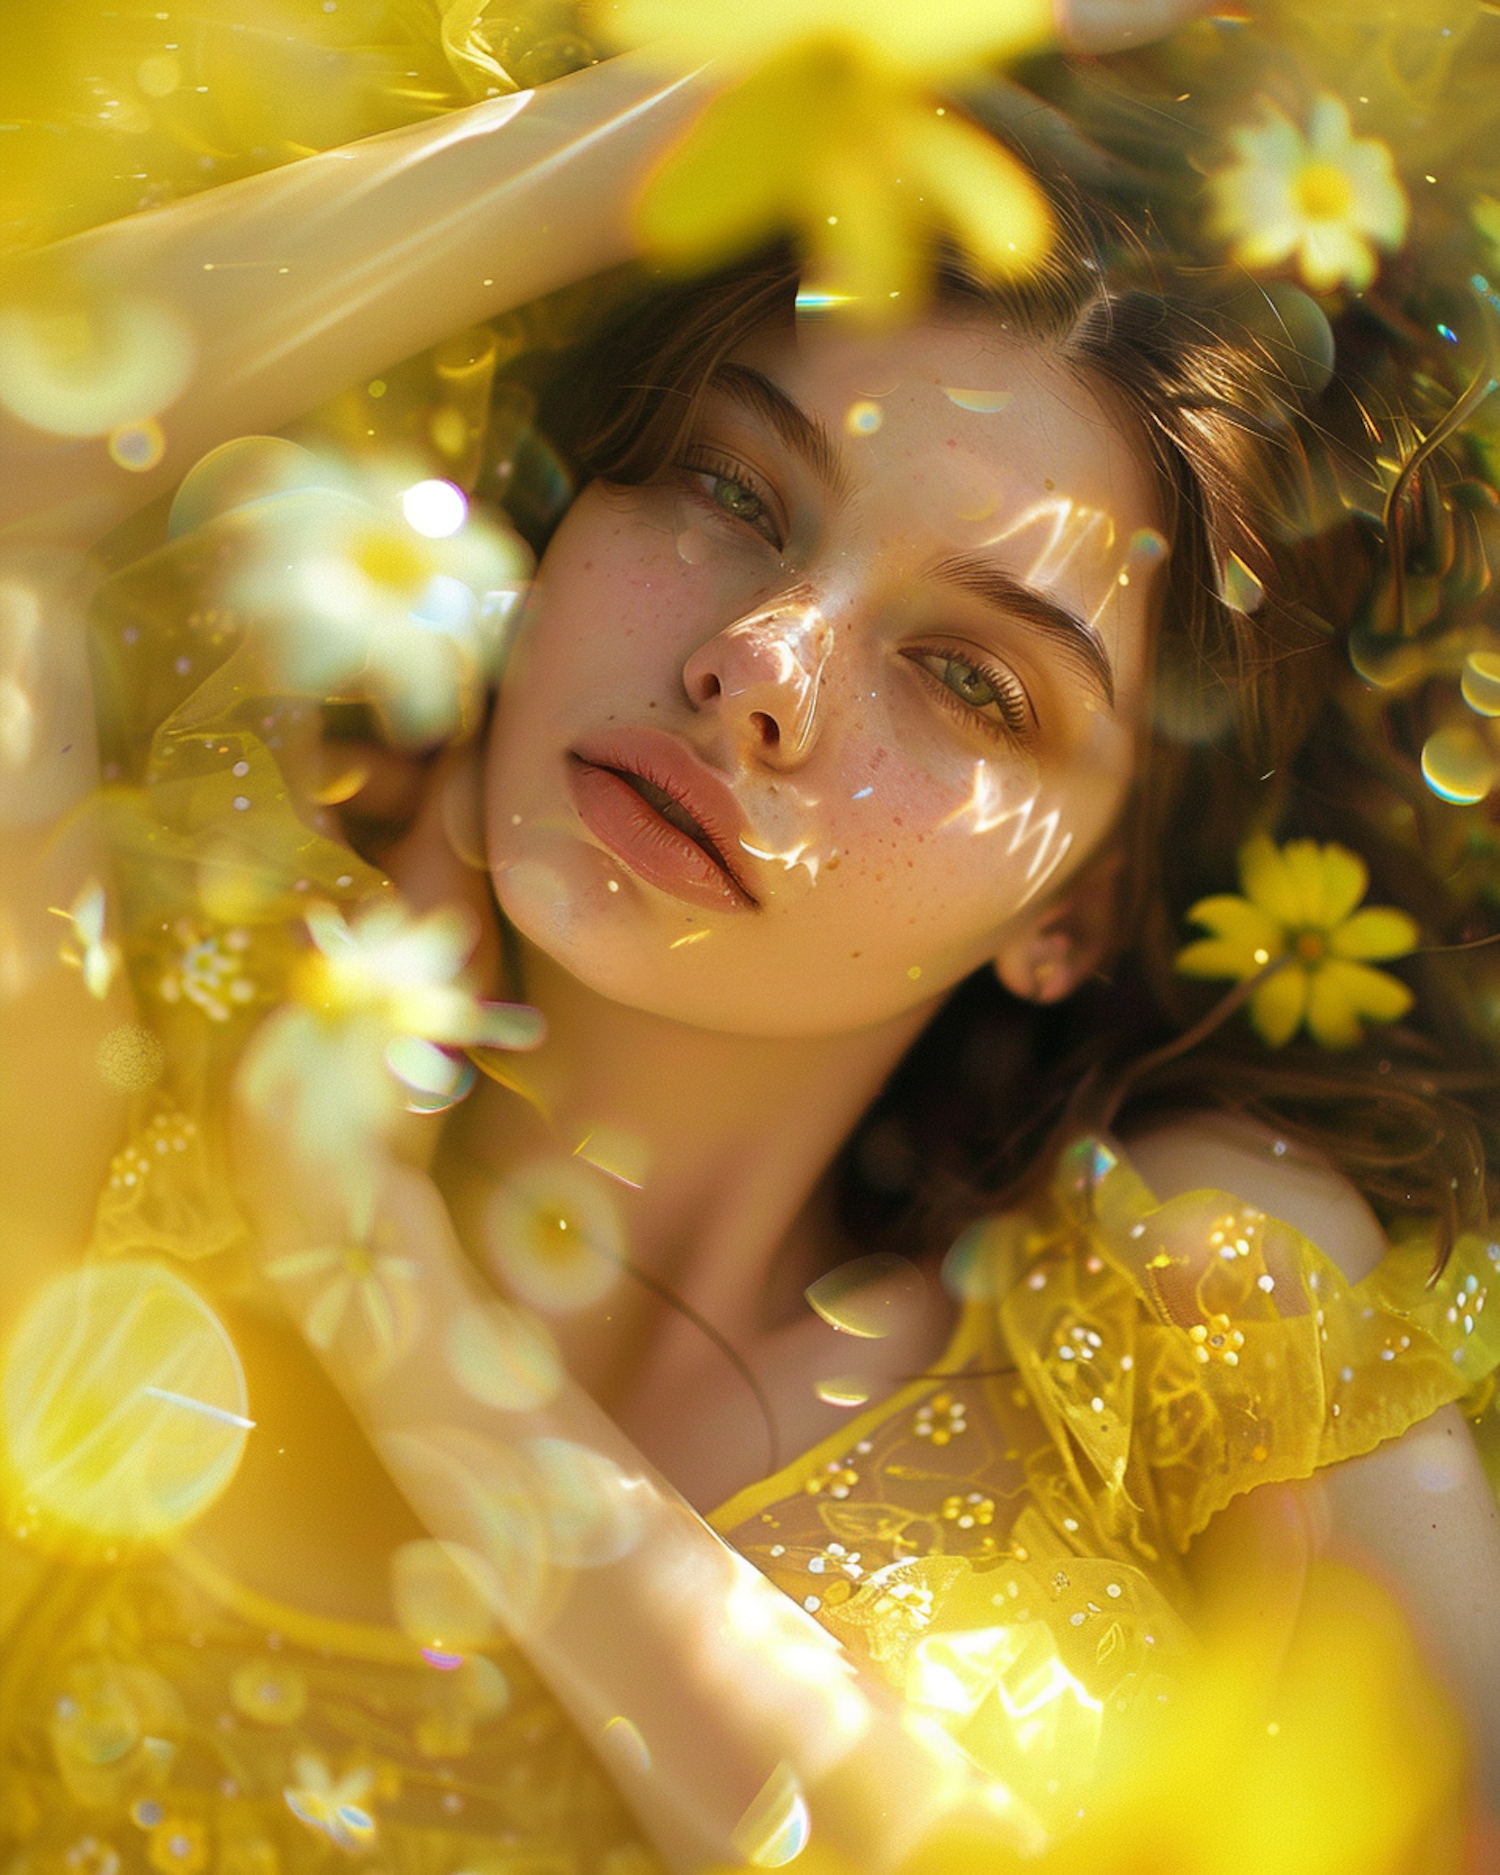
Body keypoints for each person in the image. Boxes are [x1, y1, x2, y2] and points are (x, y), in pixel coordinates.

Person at [1, 9, 1498, 1873]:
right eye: (727, 491)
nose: (761, 668)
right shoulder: (125, 1152)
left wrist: (393, 1291)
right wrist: (787, 79)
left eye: (968, 676)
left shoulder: (1197, 1319)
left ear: (1078, 910)